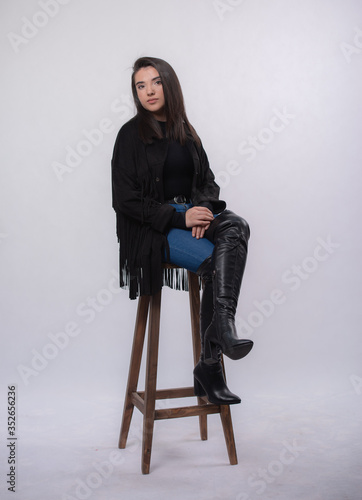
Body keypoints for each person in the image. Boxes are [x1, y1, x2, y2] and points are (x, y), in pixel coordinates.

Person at [112, 57, 253, 406]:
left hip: (191, 217)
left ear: (169, 84)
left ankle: (219, 336)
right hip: (153, 230)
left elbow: (207, 180)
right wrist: (180, 218)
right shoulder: (129, 136)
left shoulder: (185, 130)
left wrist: (201, 212)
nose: (148, 91)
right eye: (140, 85)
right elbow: (125, 200)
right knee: (215, 263)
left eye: (155, 82)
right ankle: (212, 363)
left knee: (237, 225)